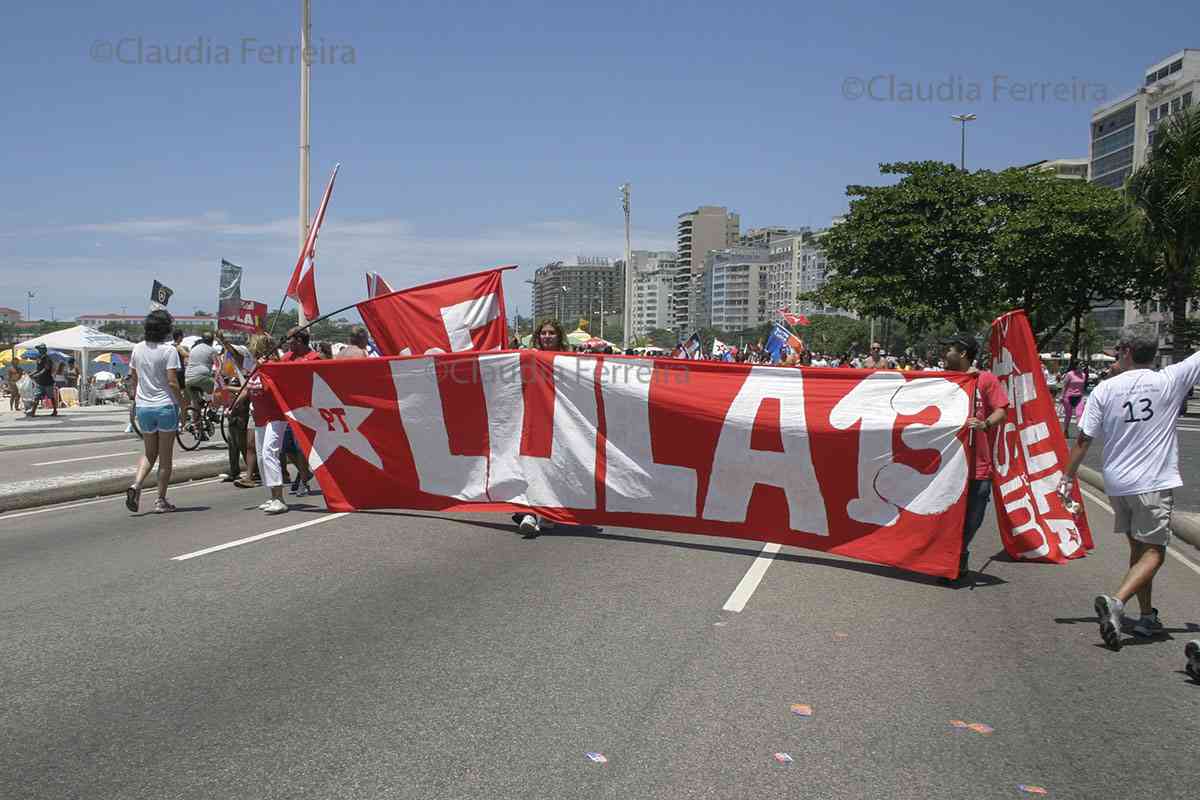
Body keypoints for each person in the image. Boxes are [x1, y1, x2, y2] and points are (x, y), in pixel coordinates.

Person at [1061, 329, 1200, 660]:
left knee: (1139, 551)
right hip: (1152, 481)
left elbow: (1083, 439)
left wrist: (1067, 476)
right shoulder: (1170, 378)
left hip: (1118, 483)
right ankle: (1118, 603)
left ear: (1125, 352)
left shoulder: (1105, 389)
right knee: (1155, 553)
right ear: (1151, 354)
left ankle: (1147, 616)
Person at [941, 334, 1010, 585]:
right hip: (947, 465)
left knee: (974, 516)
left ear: (962, 353)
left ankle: (960, 550)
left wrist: (984, 424)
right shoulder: (943, 380)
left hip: (978, 464)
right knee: (945, 514)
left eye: (949, 348)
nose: (945, 353)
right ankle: (950, 557)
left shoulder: (986, 379)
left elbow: (1002, 409)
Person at [126, 309, 188, 513]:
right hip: (164, 406)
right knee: (165, 457)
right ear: (166, 328)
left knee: (149, 453)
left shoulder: (137, 349)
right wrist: (183, 404)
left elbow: (134, 380)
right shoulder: (169, 351)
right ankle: (160, 500)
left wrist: (135, 399)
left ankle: (136, 484)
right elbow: (172, 382)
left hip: (144, 407)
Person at [513, 319, 568, 538]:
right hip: (533, 419)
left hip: (560, 422)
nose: (547, 336)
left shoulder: (570, 360)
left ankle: (548, 511)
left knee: (554, 468)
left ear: (558, 336)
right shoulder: (529, 357)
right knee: (529, 464)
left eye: (551, 333)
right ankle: (530, 513)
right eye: (543, 333)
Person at [246, 333, 289, 514]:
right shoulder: (256, 367)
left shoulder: (273, 367)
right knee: (262, 457)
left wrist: (264, 369)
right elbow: (250, 389)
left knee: (269, 452)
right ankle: (271, 496)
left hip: (275, 417)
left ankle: (280, 498)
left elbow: (272, 389)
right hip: (260, 417)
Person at [183, 332, 218, 427]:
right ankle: (212, 411)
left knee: (196, 404)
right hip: (201, 377)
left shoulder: (194, 349)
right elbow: (219, 367)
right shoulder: (212, 350)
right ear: (212, 341)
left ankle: (197, 427)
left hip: (188, 379)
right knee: (219, 390)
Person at [27, 345, 58, 417]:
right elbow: (38, 369)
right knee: (36, 397)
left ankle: (55, 410)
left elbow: (46, 369)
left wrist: (37, 375)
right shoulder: (39, 358)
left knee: (51, 397)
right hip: (40, 382)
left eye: (40, 349)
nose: (39, 351)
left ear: (44, 350)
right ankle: (33, 412)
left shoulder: (48, 359)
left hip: (48, 382)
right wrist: (31, 374)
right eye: (38, 350)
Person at [1060, 360, 1087, 433]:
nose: (1082, 366)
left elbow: (1082, 387)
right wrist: (1062, 396)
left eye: (1083, 364)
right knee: (1068, 415)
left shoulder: (1083, 375)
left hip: (1079, 397)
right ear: (1076, 365)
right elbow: (1064, 385)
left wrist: (1083, 396)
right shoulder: (1069, 374)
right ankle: (1065, 430)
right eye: (1080, 364)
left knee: (1079, 414)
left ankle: (1081, 432)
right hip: (1069, 396)